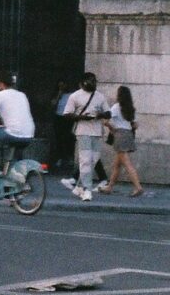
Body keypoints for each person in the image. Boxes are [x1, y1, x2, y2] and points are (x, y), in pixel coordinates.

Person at [62, 71, 110, 203]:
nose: (93, 83)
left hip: (97, 131)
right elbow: (67, 114)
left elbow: (108, 112)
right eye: (90, 81)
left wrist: (100, 115)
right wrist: (82, 117)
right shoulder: (75, 96)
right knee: (85, 160)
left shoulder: (100, 96)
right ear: (83, 83)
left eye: (95, 81)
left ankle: (78, 186)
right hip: (83, 131)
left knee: (93, 160)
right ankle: (87, 190)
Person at [99, 85, 143, 196]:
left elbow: (105, 121)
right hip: (128, 134)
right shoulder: (131, 108)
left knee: (127, 164)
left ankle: (138, 187)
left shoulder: (116, 107)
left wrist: (112, 128)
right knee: (117, 164)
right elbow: (135, 125)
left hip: (119, 135)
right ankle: (109, 187)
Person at [50, 79, 77, 179]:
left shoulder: (71, 95)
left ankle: (69, 156)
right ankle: (60, 156)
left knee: (68, 137)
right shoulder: (57, 94)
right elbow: (53, 104)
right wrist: (58, 95)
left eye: (63, 86)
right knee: (59, 137)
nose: (61, 88)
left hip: (68, 118)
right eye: (59, 86)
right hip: (58, 117)